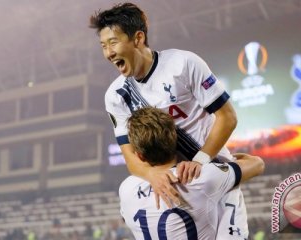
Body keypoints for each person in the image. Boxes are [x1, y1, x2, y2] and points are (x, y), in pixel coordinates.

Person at [89, 2, 246, 238]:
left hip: (215, 179)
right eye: (103, 46)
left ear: (138, 38)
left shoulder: (183, 64)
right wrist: (151, 175)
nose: (108, 53)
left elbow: (228, 117)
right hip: (172, 190)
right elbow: (130, 156)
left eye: (113, 42)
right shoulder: (116, 95)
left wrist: (200, 161)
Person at [119, 107, 264, 239]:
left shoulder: (126, 189)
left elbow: (127, 217)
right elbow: (257, 164)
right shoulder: (201, 177)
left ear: (139, 156)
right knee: (232, 191)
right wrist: (220, 160)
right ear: (175, 141)